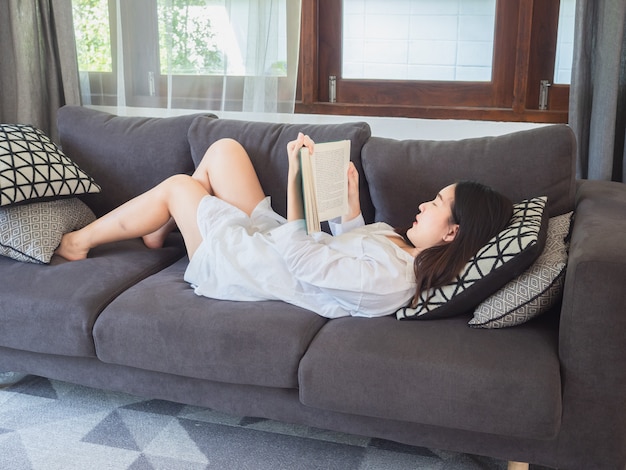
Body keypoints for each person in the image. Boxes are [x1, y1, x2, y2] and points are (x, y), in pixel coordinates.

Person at [55, 134, 513, 318]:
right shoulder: (404, 250)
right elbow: (348, 248)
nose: (422, 205)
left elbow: (308, 263)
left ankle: (79, 241)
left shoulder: (395, 282)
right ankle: (160, 227)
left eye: (435, 204)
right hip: (277, 239)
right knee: (224, 151)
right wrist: (351, 209)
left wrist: (299, 183)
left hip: (251, 264)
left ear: (453, 232)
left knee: (178, 186)